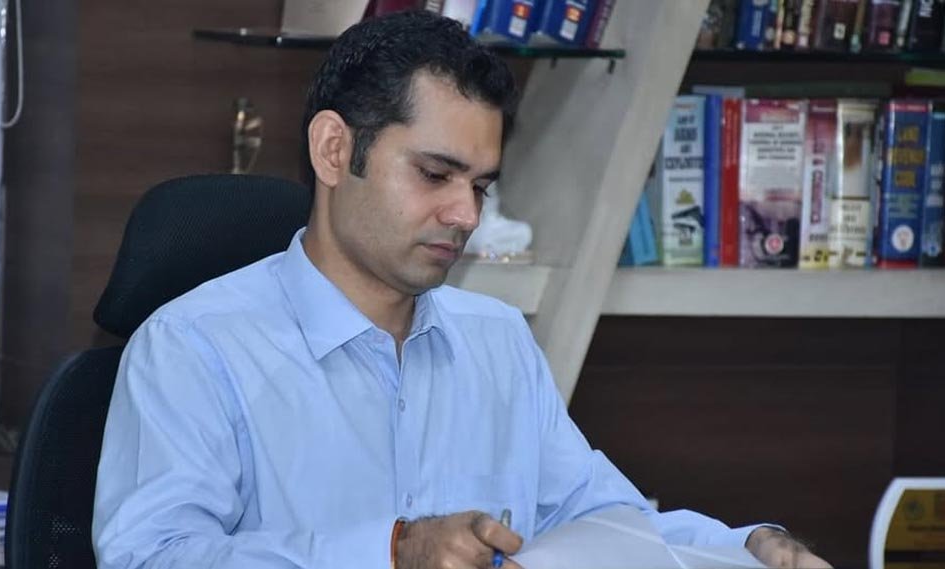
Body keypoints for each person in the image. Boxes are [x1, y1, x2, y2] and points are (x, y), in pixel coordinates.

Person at [92, 11, 832, 569]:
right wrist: (388, 551)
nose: (466, 215)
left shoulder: (497, 339)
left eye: (480, 186)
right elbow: (150, 556)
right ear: (334, 149)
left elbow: (603, 522)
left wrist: (747, 546)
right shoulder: (194, 346)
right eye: (435, 174)